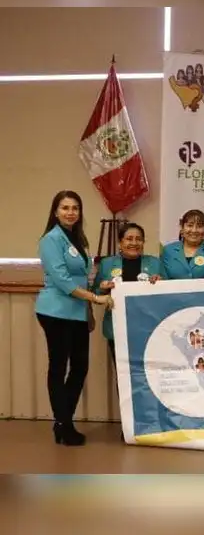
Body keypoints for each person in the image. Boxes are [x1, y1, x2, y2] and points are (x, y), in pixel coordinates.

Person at [36, 191, 112, 447]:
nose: (71, 212)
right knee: (58, 368)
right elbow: (62, 281)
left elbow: (83, 278)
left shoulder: (77, 239)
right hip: (55, 312)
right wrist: (95, 299)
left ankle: (62, 421)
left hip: (77, 312)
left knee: (80, 367)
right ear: (55, 212)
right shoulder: (51, 239)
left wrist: (87, 312)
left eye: (75, 208)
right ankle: (65, 424)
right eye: (65, 207)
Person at [93, 223, 160, 355]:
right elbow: (95, 294)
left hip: (148, 328)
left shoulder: (155, 263)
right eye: (129, 239)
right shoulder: (107, 264)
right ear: (120, 242)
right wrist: (102, 289)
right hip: (117, 328)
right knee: (122, 373)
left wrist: (160, 283)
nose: (134, 243)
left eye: (139, 239)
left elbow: (167, 294)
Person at [160, 209, 204, 280]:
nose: (194, 230)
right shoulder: (168, 251)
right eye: (190, 225)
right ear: (182, 228)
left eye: (199, 226)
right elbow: (162, 279)